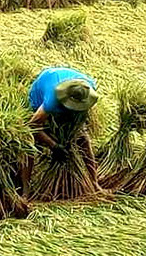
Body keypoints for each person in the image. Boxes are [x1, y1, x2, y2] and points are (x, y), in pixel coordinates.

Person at [19, 67, 100, 198]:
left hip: (62, 83)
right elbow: (32, 126)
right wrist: (53, 145)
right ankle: (25, 191)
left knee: (83, 138)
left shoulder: (88, 89)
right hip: (40, 93)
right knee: (29, 144)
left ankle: (94, 183)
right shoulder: (51, 101)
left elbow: (80, 121)